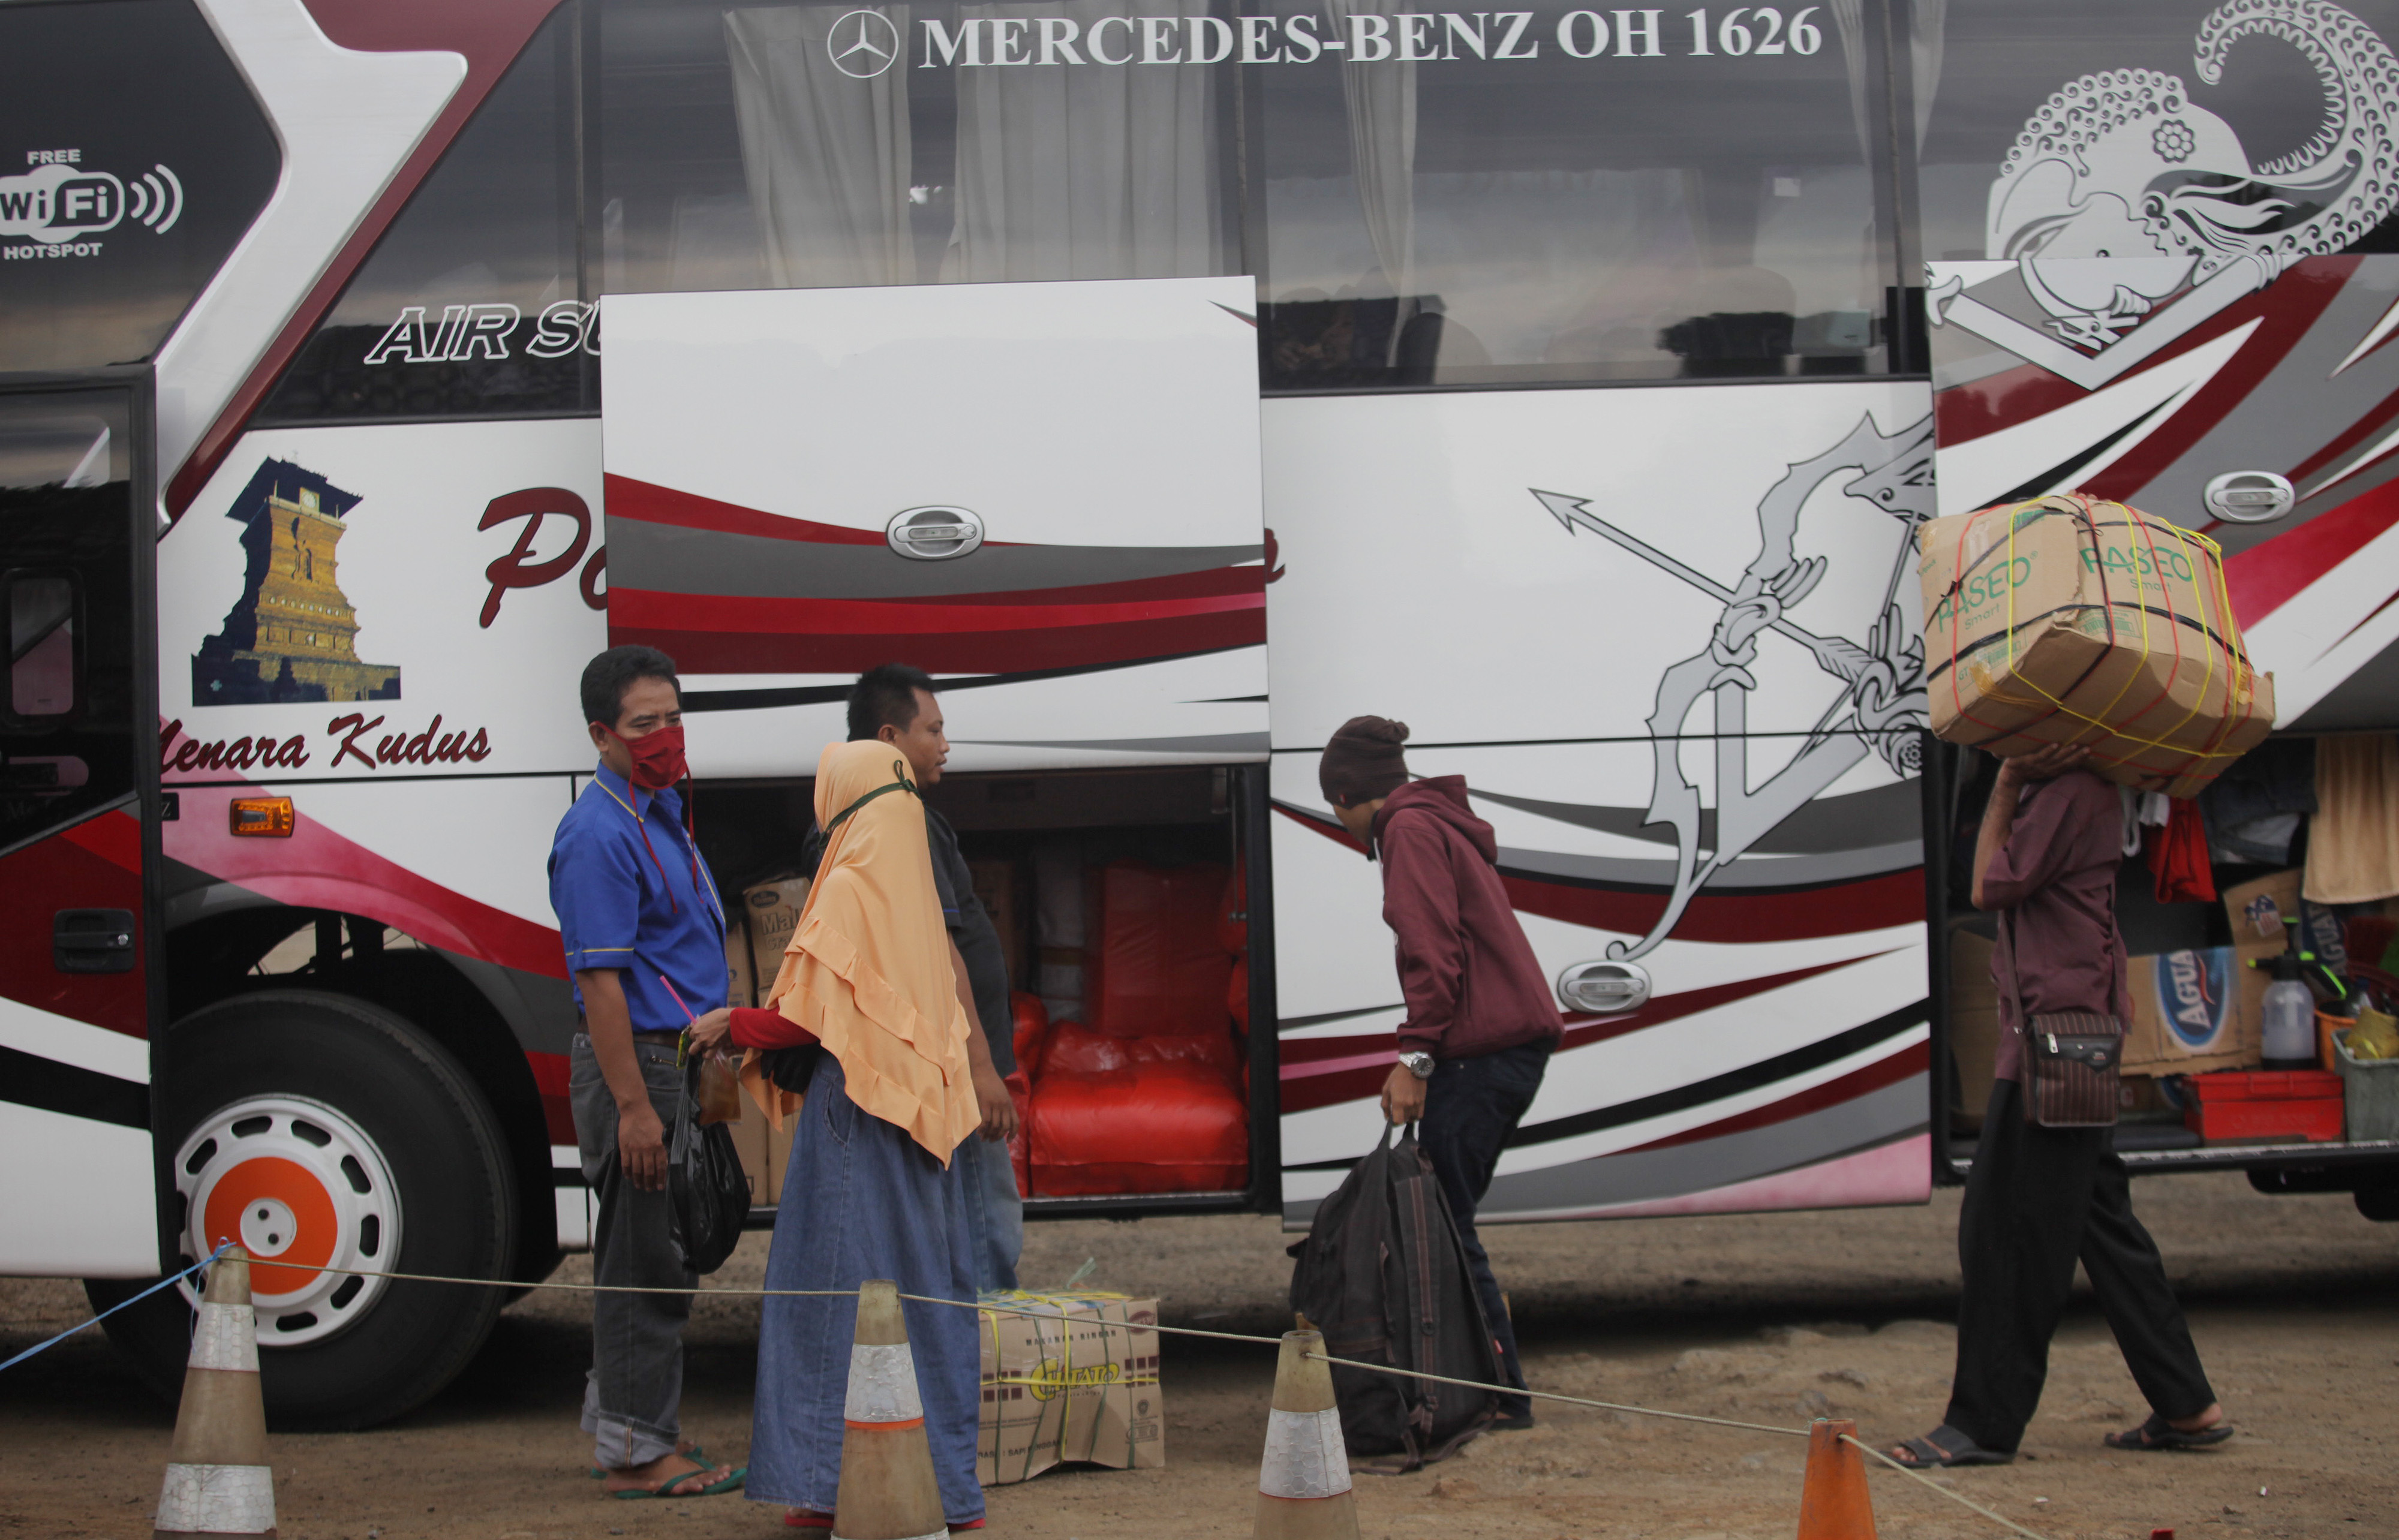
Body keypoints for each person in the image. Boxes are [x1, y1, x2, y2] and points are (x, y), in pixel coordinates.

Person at [686, 738, 1017, 1532]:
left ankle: (827, 1486)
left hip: (856, 1120)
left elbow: (808, 1016)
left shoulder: (853, 881)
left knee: (833, 1294)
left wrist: (734, 1022)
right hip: (919, 1125)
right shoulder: (911, 884)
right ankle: (945, 1491)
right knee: (925, 1296)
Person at [1889, 743, 2232, 1467]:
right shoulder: (2080, 786)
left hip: (2057, 1039)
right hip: (2065, 1029)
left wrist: (2007, 779)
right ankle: (2187, 1404)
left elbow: (1985, 884)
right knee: (2100, 1223)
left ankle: (1981, 1424)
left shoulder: (2067, 789)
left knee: (2005, 1230)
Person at [1318, 715, 1561, 1431]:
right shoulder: (1434, 821)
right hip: (1502, 1046)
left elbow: (1432, 951)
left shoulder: (1407, 831)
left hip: (1480, 1051)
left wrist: (1414, 1056)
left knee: (1446, 1228)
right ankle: (1486, 1392)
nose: (1338, 821)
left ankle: (1500, 1399)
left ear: (1345, 794)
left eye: (1334, 806)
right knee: (1448, 1222)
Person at [546, 645, 744, 1499]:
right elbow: (600, 982)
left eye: (672, 717)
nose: (665, 735)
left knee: (663, 1250)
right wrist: (634, 1107)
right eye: (644, 723)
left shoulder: (657, 811)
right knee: (643, 1261)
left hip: (678, 1067)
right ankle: (636, 1455)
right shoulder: (596, 832)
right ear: (602, 734)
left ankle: (637, 1431)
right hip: (644, 1073)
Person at [848, 663, 1023, 1292]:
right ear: (891, 737)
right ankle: (982, 1370)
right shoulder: (900, 817)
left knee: (968, 1227)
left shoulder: (877, 812)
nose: (945, 744)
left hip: (941, 1067)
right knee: (985, 1233)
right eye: (935, 730)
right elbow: (939, 952)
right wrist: (979, 1069)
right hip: (952, 1073)